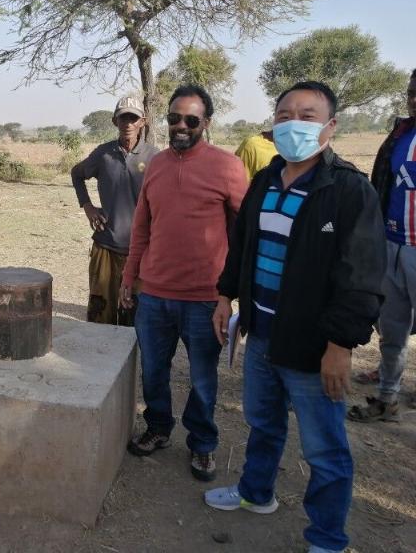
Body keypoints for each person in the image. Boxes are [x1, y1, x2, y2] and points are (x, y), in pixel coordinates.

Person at [206, 81, 386, 553]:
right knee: (263, 423)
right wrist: (226, 296)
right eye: (284, 115)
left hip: (312, 346)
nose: (293, 125)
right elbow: (242, 247)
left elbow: (362, 277)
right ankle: (256, 493)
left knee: (324, 449)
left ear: (331, 126)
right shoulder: (265, 181)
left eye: (307, 116)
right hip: (262, 334)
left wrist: (340, 345)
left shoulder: (349, 190)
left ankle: (327, 538)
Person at [119, 84, 247, 482]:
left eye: (191, 120)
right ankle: (158, 427)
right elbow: (142, 226)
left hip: (206, 298)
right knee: (154, 371)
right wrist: (129, 276)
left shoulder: (228, 167)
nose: (181, 126)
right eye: (174, 118)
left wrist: (230, 294)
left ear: (205, 123)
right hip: (155, 294)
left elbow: (244, 234)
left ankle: (203, 443)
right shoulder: (156, 165)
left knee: (203, 379)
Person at [348, 68, 416, 421]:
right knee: (391, 329)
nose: (414, 99)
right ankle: (387, 398)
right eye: (412, 92)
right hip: (392, 244)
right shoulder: (400, 135)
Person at [70, 96, 158, 325]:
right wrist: (88, 207)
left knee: (135, 321)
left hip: (141, 251)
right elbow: (77, 174)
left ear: (143, 122)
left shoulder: (155, 158)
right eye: (123, 118)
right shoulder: (103, 154)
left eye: (133, 118)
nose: (128, 123)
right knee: (101, 318)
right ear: (114, 121)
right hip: (106, 246)